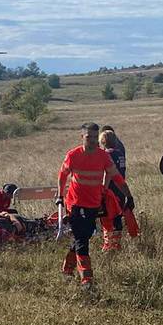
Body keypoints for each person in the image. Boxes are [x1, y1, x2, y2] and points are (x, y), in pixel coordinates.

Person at [57, 123, 134, 289]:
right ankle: (87, 279)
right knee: (83, 240)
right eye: (88, 137)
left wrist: (128, 195)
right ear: (82, 137)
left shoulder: (103, 156)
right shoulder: (73, 155)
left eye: (94, 137)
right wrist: (60, 196)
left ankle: (67, 269)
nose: (92, 141)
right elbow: (62, 176)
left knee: (83, 236)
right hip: (75, 204)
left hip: (94, 203)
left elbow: (116, 177)